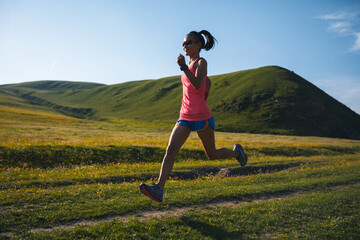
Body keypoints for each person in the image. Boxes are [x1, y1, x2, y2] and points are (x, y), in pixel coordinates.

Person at [140, 30, 247, 202]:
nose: (185, 46)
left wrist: (183, 67)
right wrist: (185, 68)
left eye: (189, 42)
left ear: (198, 45)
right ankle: (159, 188)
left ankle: (237, 153)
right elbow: (205, 87)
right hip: (185, 116)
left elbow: (198, 85)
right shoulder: (188, 65)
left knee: (211, 154)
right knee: (171, 150)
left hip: (202, 118)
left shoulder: (201, 62)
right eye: (183, 43)